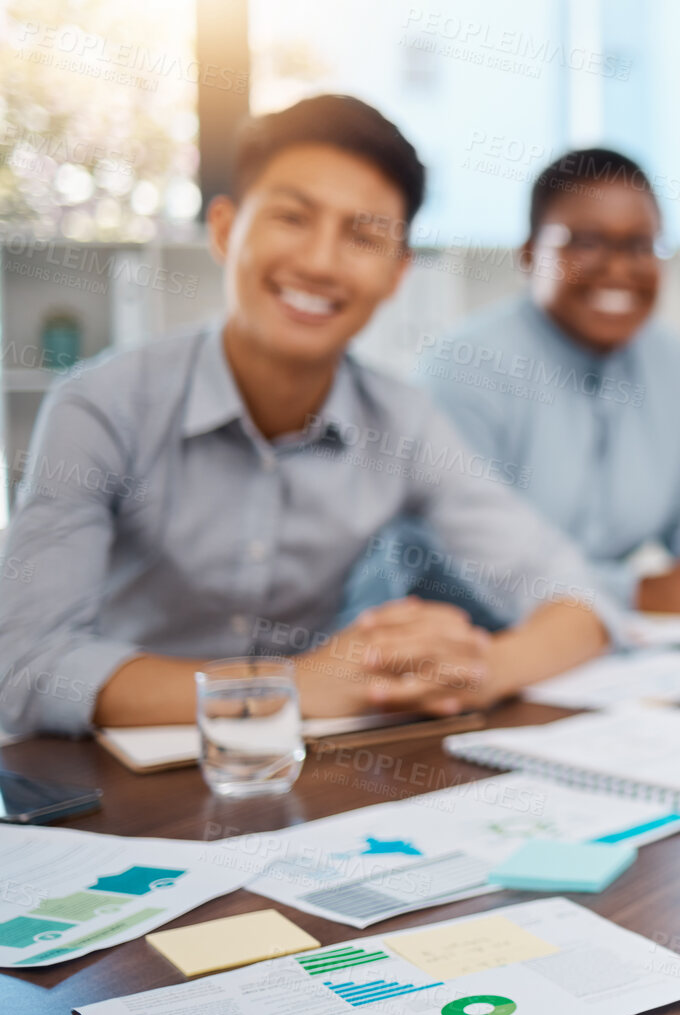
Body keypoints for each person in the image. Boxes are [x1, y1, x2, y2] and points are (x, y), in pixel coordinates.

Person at [0, 95, 625, 737]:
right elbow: (24, 668)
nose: (322, 262)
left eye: (364, 236)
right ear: (223, 230)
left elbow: (575, 596)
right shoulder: (99, 407)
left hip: (298, 773)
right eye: (292, 217)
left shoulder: (401, 422)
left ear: (397, 274)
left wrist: (479, 670)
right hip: (104, 781)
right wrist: (294, 685)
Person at [375, 148, 680, 620]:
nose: (618, 269)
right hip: (477, 646)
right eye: (588, 243)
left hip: (612, 653)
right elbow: (455, 565)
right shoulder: (464, 367)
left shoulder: (668, 357)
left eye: (640, 246)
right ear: (530, 254)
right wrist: (633, 594)